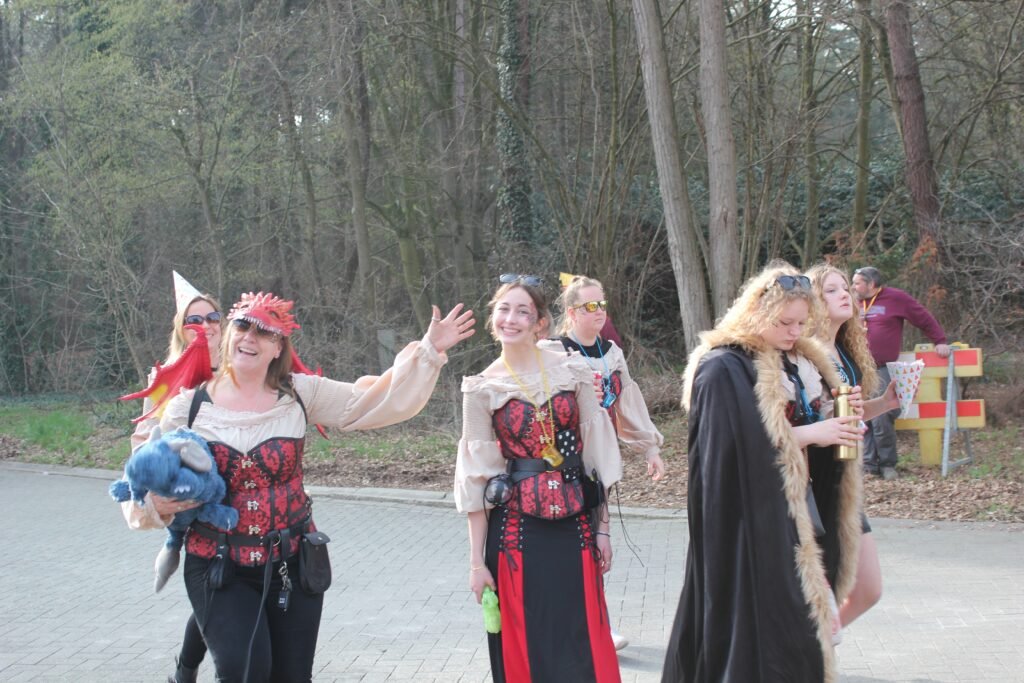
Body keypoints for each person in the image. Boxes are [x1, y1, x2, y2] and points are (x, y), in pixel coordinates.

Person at [128, 290, 475, 683]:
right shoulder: (186, 406)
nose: (250, 338)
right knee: (246, 671)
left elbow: (370, 399)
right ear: (229, 334)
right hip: (218, 565)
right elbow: (142, 472)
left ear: (278, 347)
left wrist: (428, 351)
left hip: (291, 563)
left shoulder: (299, 393)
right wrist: (153, 503)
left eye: (264, 332)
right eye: (242, 326)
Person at [662, 262, 864, 683]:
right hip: (747, 526)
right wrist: (811, 434)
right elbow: (731, 450)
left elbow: (802, 431)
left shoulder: (801, 362)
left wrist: (839, 425)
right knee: (760, 631)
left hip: (797, 514)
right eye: (784, 322)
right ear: (756, 312)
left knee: (800, 630)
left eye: (801, 323)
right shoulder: (722, 367)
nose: (794, 332)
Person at [455, 274, 623, 683]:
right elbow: (477, 482)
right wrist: (476, 564)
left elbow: (596, 456)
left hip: (575, 527)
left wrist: (603, 529)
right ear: (493, 318)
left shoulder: (573, 371)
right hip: (516, 534)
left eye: (522, 312)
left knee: (581, 637)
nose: (510, 319)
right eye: (503, 310)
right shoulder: (481, 388)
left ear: (540, 323)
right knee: (528, 642)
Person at [553, 274, 665, 653]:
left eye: (602, 303)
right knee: (569, 548)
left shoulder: (611, 352)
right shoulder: (554, 352)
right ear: (571, 312)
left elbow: (628, 403)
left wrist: (649, 448)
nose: (599, 311)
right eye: (590, 306)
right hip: (560, 464)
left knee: (596, 547)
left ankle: (596, 625)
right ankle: (579, 626)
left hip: (598, 464)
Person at [121, 271, 223, 683]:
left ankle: (184, 673)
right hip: (195, 504)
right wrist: (150, 500)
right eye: (194, 320)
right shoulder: (166, 381)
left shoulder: (245, 368)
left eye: (212, 317)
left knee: (222, 598)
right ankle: (186, 672)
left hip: (240, 499)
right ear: (181, 329)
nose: (205, 326)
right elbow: (145, 447)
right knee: (213, 594)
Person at [807, 263, 901, 628]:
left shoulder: (844, 351)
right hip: (817, 479)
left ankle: (820, 643)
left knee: (868, 589)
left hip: (844, 478)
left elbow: (851, 414)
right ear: (814, 302)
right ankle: (814, 647)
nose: (845, 294)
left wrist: (886, 403)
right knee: (823, 589)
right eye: (831, 290)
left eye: (845, 287)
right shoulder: (806, 353)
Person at [851, 266, 951, 480]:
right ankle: (868, 465)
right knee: (861, 414)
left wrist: (940, 341)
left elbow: (923, 318)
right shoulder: (851, 302)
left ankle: (887, 464)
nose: (853, 287)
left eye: (857, 283)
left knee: (881, 416)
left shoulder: (895, 298)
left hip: (881, 367)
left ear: (871, 284)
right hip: (857, 368)